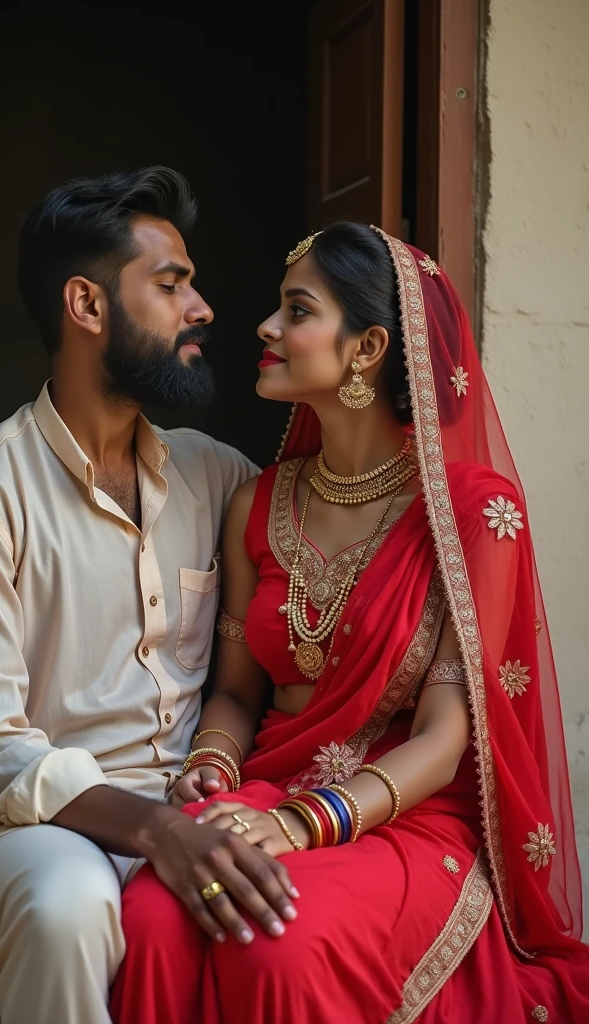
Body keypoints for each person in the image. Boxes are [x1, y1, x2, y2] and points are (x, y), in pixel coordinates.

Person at [110, 223, 589, 1024]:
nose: (265, 328)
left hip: (399, 812)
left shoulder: (470, 515)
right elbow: (235, 693)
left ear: (367, 349)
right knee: (154, 919)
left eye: (296, 310)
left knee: (277, 941)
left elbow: (444, 739)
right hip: (264, 792)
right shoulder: (258, 503)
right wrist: (213, 770)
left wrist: (307, 822)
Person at [0, 168, 301, 1024]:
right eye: (170, 284)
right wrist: (158, 832)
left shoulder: (219, 476)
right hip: (22, 835)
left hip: (200, 808)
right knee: (67, 907)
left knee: (285, 920)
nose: (202, 307)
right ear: (86, 306)